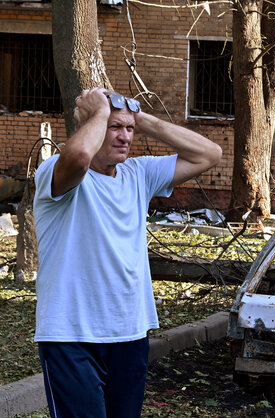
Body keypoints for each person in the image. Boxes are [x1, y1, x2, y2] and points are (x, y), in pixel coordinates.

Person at [33, 87, 222, 417]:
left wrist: (142, 120)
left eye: (128, 130)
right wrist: (100, 113)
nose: (124, 137)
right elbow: (78, 157)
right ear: (90, 127)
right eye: (113, 128)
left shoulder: (139, 174)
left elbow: (209, 154)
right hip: (70, 335)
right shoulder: (55, 172)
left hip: (129, 332)